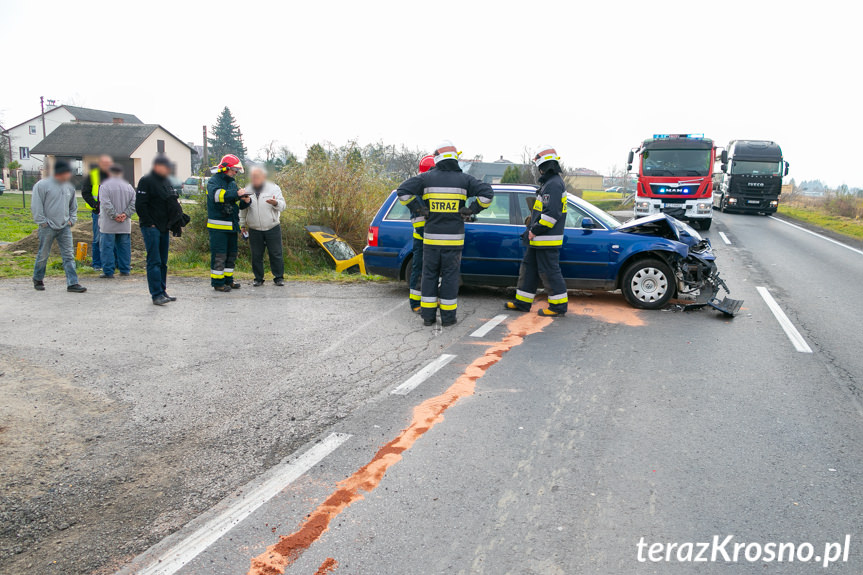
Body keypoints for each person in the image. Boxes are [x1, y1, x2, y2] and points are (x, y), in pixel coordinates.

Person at [396, 141, 493, 327]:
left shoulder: (426, 178)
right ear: (455, 158)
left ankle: (428, 317)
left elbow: (402, 191)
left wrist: (419, 209)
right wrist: (471, 209)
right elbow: (488, 194)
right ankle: (448, 319)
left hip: (431, 239)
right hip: (454, 241)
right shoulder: (465, 180)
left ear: (437, 158)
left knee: (429, 275)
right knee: (449, 277)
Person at [505, 146, 569, 317]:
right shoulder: (550, 183)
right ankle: (522, 303)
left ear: (543, 165)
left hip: (546, 239)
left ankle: (558, 306)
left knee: (550, 272)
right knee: (529, 269)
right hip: (539, 239)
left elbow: (551, 215)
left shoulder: (554, 184)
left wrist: (534, 230)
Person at [31, 160, 86, 293]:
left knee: (68, 255)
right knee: (43, 254)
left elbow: (73, 206)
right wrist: (42, 222)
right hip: (47, 227)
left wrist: (72, 221)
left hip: (64, 227)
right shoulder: (42, 185)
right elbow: (36, 205)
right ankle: (38, 278)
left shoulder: (69, 187)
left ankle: (72, 283)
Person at [137, 155, 182, 306]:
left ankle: (162, 291)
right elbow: (140, 205)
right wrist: (150, 223)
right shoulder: (146, 181)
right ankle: (156, 294)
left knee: (163, 262)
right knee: (154, 261)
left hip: (164, 227)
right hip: (152, 228)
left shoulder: (167, 181)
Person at [206, 154, 250, 292]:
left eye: (237, 171)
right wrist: (237, 194)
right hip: (218, 227)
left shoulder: (231, 182)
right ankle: (218, 283)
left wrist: (246, 200)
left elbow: (236, 203)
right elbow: (218, 196)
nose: (235, 173)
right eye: (234, 170)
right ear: (225, 168)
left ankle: (228, 280)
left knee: (231, 254)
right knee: (219, 255)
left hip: (231, 225)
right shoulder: (214, 181)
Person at [239, 166, 286, 287]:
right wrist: (242, 225)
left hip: (272, 226)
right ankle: (258, 278)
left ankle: (278, 277)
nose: (255, 179)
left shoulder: (274, 188)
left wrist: (275, 203)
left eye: (257, 177)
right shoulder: (247, 189)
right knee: (256, 255)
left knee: (276, 253)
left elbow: (283, 205)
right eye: (253, 177)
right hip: (254, 228)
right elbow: (243, 210)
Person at [405, 154, 435, 312]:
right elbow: (418, 220)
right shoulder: (419, 188)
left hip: (429, 235)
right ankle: (416, 303)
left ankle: (427, 300)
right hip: (422, 237)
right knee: (419, 270)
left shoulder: (426, 186)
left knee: (429, 270)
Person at [97, 165, 136, 278]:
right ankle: (125, 269)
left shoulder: (104, 186)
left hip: (108, 224)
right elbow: (134, 203)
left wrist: (114, 215)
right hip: (124, 224)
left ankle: (108, 271)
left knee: (107, 248)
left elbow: (105, 203)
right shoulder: (129, 187)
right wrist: (125, 214)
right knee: (124, 247)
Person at [81, 154, 113, 271]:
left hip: (112, 212)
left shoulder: (113, 175)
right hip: (98, 212)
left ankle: (112, 263)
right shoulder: (92, 175)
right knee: (98, 238)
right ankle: (97, 264)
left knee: (112, 238)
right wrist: (95, 205)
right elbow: (86, 193)